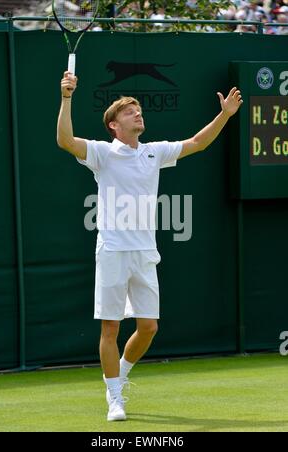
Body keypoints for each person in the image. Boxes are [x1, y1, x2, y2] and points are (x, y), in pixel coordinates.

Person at [57, 71, 243, 422]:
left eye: (139, 109)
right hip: (112, 250)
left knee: (149, 327)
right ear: (114, 125)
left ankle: (120, 374)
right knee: (110, 329)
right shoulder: (101, 154)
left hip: (144, 254)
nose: (138, 113)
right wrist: (66, 97)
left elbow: (197, 143)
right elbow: (65, 140)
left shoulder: (154, 153)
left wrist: (225, 115)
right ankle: (115, 398)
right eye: (130, 112)